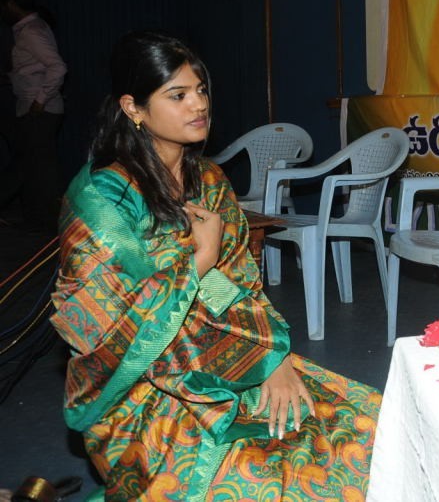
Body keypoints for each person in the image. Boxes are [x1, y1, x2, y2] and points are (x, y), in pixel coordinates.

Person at [50, 32, 379, 500]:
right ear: (133, 107)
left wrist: (274, 359)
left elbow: (242, 284)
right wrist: (201, 259)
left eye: (201, 90)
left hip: (229, 352)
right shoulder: (101, 202)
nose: (198, 105)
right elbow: (110, 328)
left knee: (360, 427)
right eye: (178, 95)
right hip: (144, 393)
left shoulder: (208, 179)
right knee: (270, 476)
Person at [0, 0, 67, 231]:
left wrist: (40, 101)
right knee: (34, 166)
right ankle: (38, 221)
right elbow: (33, 68)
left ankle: (50, 223)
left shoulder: (31, 31)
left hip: (39, 110)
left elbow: (57, 67)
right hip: (33, 107)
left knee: (41, 169)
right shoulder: (29, 29)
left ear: (11, 5)